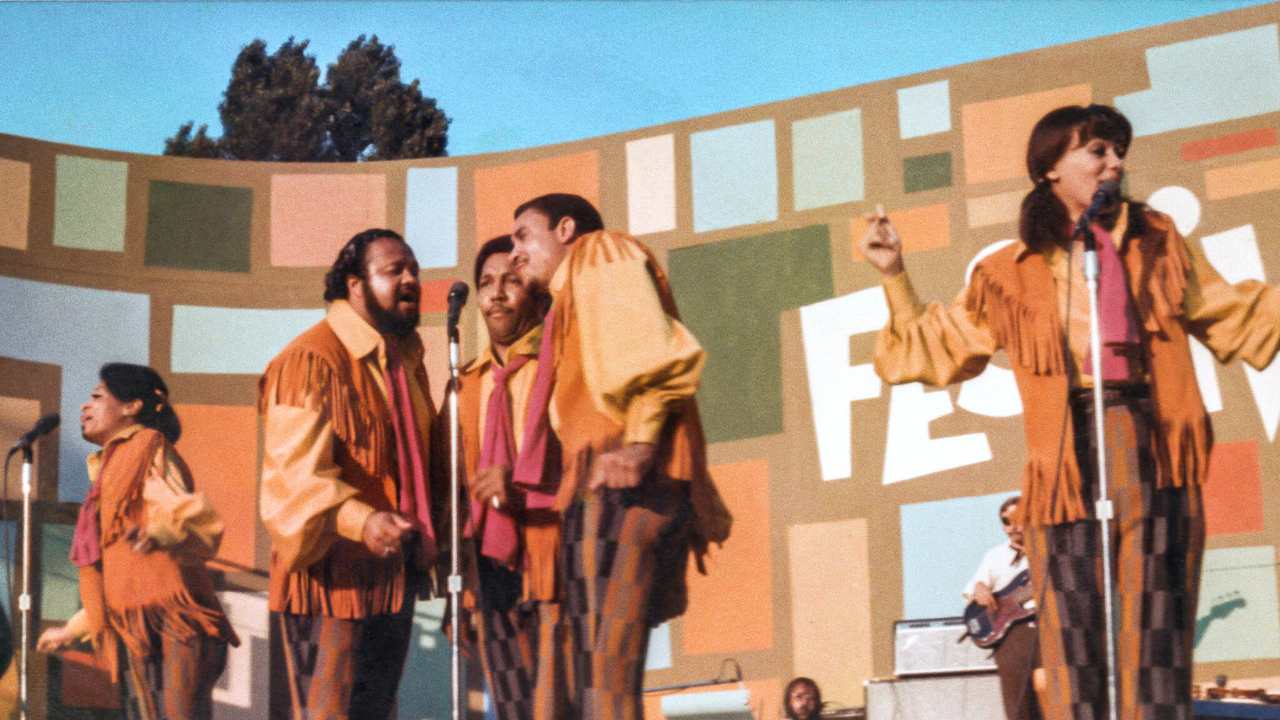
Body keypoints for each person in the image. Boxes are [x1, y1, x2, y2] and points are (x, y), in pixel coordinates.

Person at [862, 103, 1280, 720]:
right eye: (1097, 150)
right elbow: (942, 347)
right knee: (1071, 642)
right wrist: (894, 273)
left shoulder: (1159, 241)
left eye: (1118, 150)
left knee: (1155, 635)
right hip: (1065, 457)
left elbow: (1233, 314)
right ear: (1051, 169)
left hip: (1151, 443)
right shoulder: (1009, 271)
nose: (1115, 162)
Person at [508, 193, 731, 719]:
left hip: (621, 481)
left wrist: (640, 442)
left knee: (605, 684)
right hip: (606, 487)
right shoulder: (568, 301)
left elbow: (652, 352)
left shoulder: (598, 252)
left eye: (523, 235)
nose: (515, 253)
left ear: (566, 229)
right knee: (602, 681)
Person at [259, 228, 443, 720]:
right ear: (353, 284)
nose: (410, 280)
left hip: (391, 579)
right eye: (393, 271)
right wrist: (363, 521)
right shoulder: (310, 360)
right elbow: (290, 479)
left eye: (414, 271)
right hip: (329, 579)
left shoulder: (404, 364)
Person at [37, 363, 238, 720]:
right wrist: (73, 628)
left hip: (177, 620)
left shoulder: (147, 444)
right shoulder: (106, 472)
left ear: (132, 407)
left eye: (97, 397)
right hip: (138, 626)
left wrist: (156, 531)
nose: (85, 406)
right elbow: (116, 578)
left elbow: (188, 514)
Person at [454, 235, 552, 720]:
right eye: (486, 284)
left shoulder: (560, 366)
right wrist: (462, 591)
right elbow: (451, 495)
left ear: (535, 291)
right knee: (513, 708)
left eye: (511, 281)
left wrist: (524, 482)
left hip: (554, 559)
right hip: (491, 576)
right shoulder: (466, 386)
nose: (495, 294)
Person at [964, 496, 1040, 720]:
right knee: (1018, 703)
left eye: (1017, 519)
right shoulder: (994, 555)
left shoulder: (1049, 548)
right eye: (1006, 522)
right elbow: (975, 587)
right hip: (1012, 636)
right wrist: (980, 589)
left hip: (1047, 628)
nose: (1013, 527)